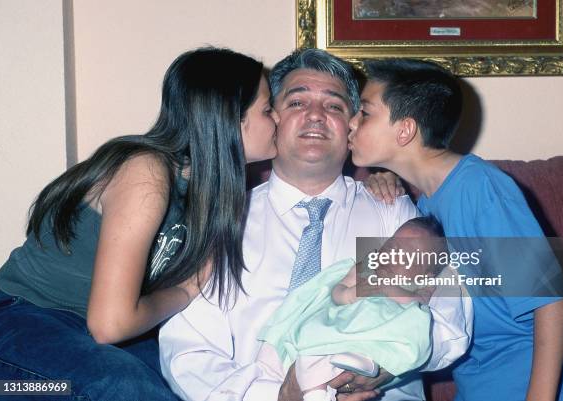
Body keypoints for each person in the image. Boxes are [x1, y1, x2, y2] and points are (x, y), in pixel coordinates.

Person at [159, 48, 472, 401]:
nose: (315, 116)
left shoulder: (394, 215)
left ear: (353, 125)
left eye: (334, 106)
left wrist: (385, 365)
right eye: (296, 103)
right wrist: (280, 395)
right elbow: (188, 352)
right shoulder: (220, 221)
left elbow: (450, 319)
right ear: (271, 117)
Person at [0, 47, 277, 401]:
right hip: (23, 317)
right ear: (228, 117)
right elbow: (110, 324)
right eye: (269, 109)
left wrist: (371, 185)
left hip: (92, 332)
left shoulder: (221, 193)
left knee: (183, 383)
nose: (279, 119)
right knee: (124, 386)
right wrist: (185, 291)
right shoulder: (147, 172)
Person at [347, 58, 563, 401]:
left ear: (404, 131)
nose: (351, 122)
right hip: (481, 378)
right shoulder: (423, 209)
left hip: (540, 376)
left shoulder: (480, 187)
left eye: (365, 113)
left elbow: (552, 300)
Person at [251, 217, 449, 401]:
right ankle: (316, 394)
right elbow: (337, 291)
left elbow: (418, 308)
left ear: (426, 275)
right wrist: (348, 294)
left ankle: (363, 360)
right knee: (313, 351)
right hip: (344, 323)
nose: (393, 256)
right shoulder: (365, 268)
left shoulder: (419, 288)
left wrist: (387, 286)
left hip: (378, 333)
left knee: (412, 325)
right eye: (391, 246)